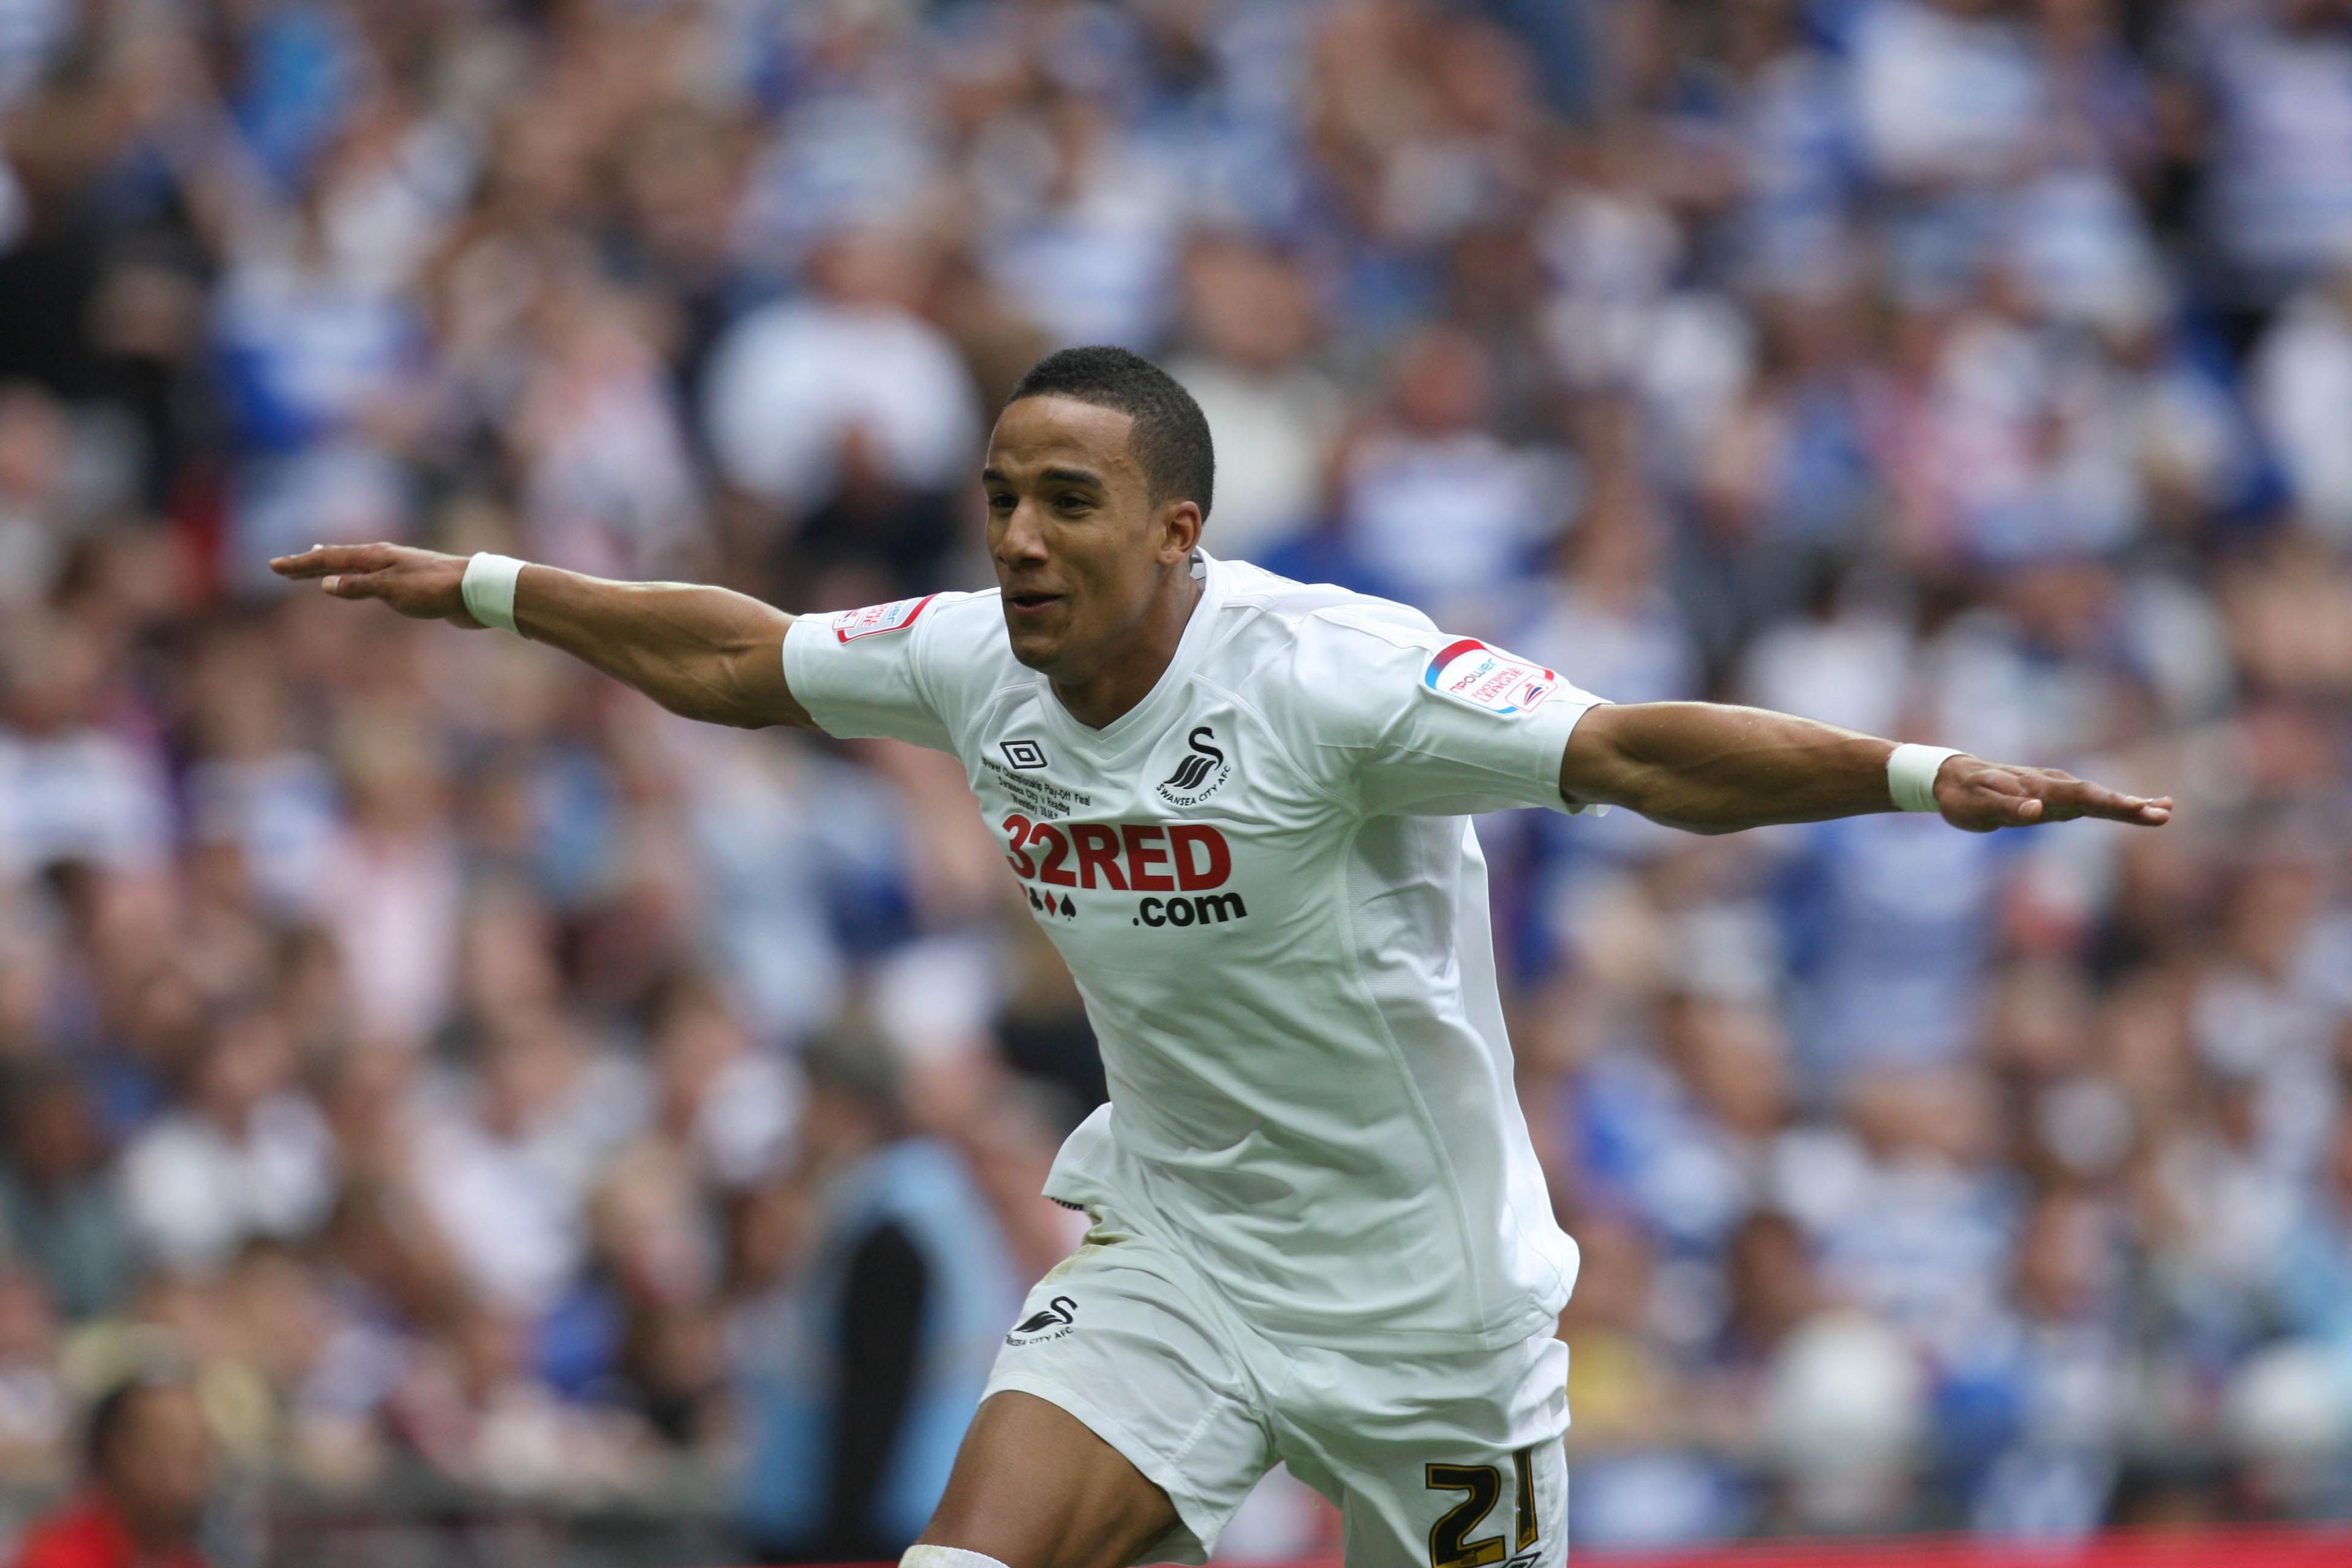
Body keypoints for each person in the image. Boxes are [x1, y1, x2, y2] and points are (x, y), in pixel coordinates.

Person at [271, 345, 2171, 1568]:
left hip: (1430, 1317)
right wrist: (493, 588)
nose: (1015, 537)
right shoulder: (967, 661)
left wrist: (1924, 779)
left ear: (1177, 531)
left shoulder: (1334, 676)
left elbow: (1624, 749)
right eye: (999, 496)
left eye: (1065, 502)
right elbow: (734, 654)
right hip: (1178, 1255)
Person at [738, 1028, 1017, 1563]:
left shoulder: (889, 1218)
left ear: (841, 1104)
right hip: (932, 1496)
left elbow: (875, 1382)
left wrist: (841, 1531)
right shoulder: (938, 1197)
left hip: (880, 1513)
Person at [12, 1373, 216, 1568]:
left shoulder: (188, 1557)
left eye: (200, 1450)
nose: (191, 1473)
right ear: (116, 1450)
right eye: (170, 1445)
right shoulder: (55, 1557)